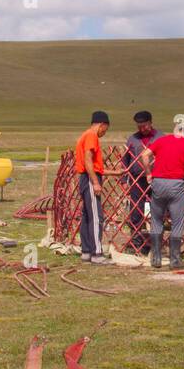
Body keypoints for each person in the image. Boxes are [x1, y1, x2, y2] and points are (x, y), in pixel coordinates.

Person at [138, 115, 184, 269]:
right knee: (177, 222)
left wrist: (148, 173)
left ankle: (156, 259)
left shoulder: (162, 140)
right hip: (176, 185)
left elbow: (144, 155)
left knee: (156, 220)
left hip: (158, 183)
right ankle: (174, 260)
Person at [122, 110, 164, 254]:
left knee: (157, 210)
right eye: (139, 126)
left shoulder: (160, 137)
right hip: (136, 180)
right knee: (135, 211)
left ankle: (156, 243)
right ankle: (137, 244)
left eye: (144, 126)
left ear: (151, 123)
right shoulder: (132, 139)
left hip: (157, 178)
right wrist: (123, 179)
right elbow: (125, 160)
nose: (142, 129)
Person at [75, 111, 110, 264]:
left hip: (85, 177)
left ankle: (86, 251)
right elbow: (88, 160)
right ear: (102, 124)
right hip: (89, 179)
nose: (104, 132)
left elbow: (92, 164)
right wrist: (95, 182)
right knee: (96, 217)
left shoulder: (85, 135)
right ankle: (97, 254)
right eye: (105, 129)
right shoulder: (91, 135)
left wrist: (114, 172)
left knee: (87, 216)